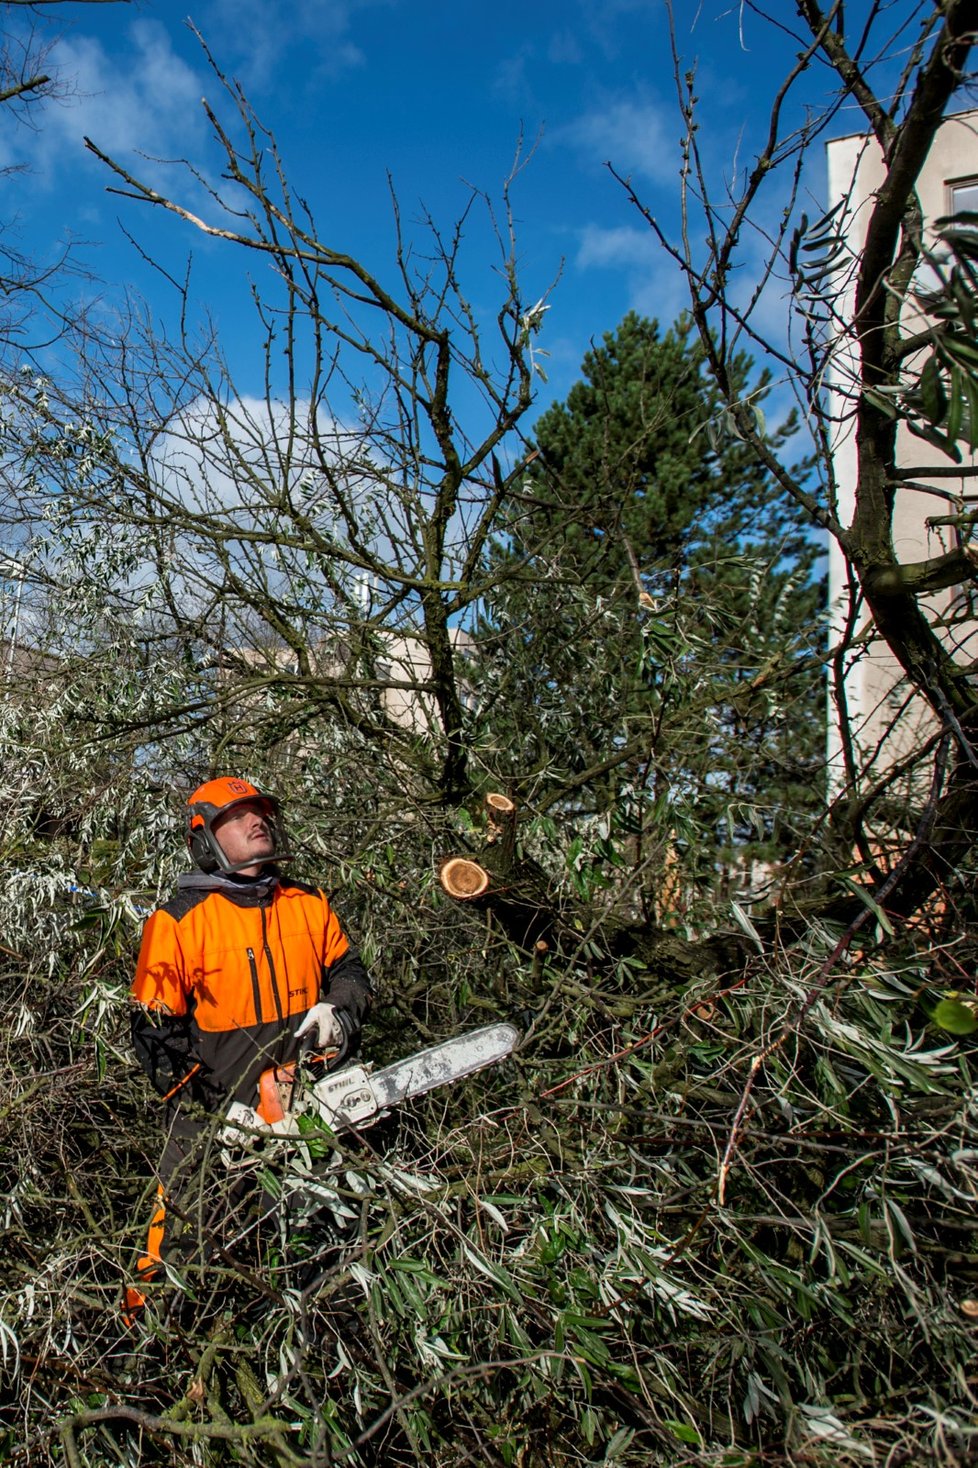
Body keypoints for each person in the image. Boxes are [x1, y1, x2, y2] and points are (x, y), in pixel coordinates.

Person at [125, 776, 372, 1313]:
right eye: (238, 816)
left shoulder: (307, 902)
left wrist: (341, 1011)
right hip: (217, 1109)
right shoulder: (179, 921)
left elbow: (350, 972)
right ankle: (147, 1345)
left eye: (259, 811)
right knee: (182, 1244)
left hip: (309, 1100)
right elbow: (153, 1036)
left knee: (319, 1245)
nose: (256, 821)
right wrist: (219, 1113)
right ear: (205, 836)